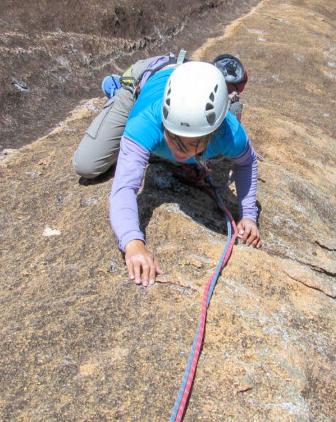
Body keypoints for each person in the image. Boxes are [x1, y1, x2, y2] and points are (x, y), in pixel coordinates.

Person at [73, 53, 260, 287]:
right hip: (151, 78)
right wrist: (132, 243)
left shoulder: (228, 133)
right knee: (87, 164)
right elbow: (124, 187)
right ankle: (119, 89)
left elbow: (247, 162)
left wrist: (249, 215)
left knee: (211, 155)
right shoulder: (147, 120)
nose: (179, 150)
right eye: (173, 138)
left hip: (191, 91)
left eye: (191, 143)